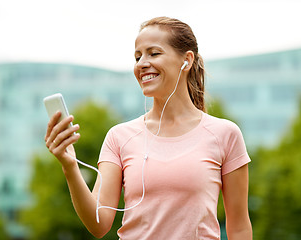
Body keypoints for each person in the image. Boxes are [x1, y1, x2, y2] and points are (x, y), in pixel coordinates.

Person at [45, 16, 252, 240]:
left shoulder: (225, 134)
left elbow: (239, 228)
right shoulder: (119, 137)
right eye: (137, 56)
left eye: (154, 53)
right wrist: (70, 167)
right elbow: (99, 224)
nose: (142, 63)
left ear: (187, 60)